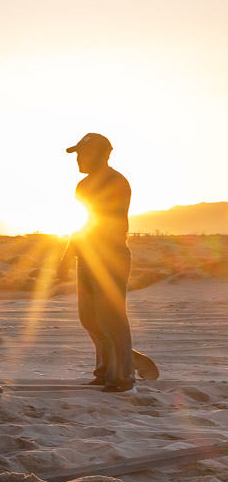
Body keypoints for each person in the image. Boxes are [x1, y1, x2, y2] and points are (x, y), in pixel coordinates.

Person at [67, 132, 133, 392]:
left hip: (110, 257)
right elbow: (79, 223)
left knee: (111, 319)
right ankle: (105, 370)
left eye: (84, 154)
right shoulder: (82, 186)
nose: (79, 160)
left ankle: (123, 376)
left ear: (103, 155)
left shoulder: (116, 182)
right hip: (87, 256)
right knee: (90, 319)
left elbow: (105, 222)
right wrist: (68, 255)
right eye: (78, 155)